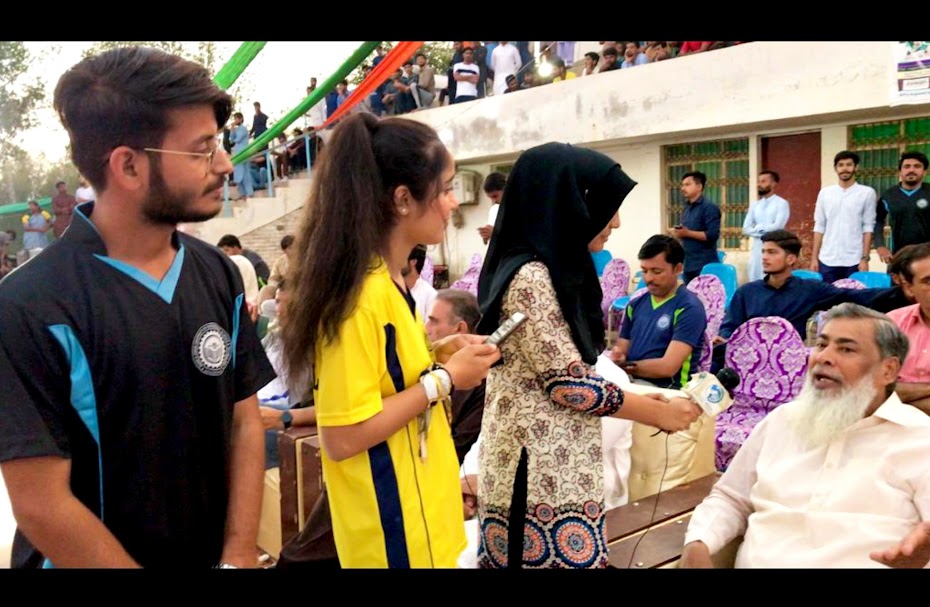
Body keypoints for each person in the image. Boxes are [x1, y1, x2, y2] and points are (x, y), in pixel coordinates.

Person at [0, 46, 275, 568]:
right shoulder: (30, 306)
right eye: (201, 150)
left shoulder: (218, 274)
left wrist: (238, 555)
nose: (224, 164)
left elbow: (244, 422)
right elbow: (40, 503)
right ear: (128, 165)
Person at [281, 113, 500, 568]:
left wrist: (439, 354)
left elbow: (384, 379)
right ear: (403, 199)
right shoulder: (361, 298)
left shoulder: (391, 282)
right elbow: (342, 436)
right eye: (445, 188)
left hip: (420, 517)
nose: (453, 202)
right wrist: (445, 380)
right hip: (391, 534)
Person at [475, 143, 701, 569]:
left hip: (557, 463)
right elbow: (567, 384)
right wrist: (653, 412)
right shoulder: (531, 277)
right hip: (535, 470)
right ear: (568, 203)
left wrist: (640, 398)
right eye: (606, 207)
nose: (615, 222)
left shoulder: (553, 269)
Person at [682, 303, 930, 568]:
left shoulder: (919, 438)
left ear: (888, 370)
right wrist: (698, 541)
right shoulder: (782, 421)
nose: (824, 357)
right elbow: (730, 499)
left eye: (846, 349)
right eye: (822, 345)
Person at [424, 289, 484, 463]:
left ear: (460, 328)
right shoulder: (431, 364)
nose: (426, 329)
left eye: (434, 321)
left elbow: (460, 445)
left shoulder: (480, 380)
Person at [811, 150, 877, 283]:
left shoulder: (866, 193)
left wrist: (864, 258)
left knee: (852, 295)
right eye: (841, 165)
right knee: (828, 295)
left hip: (854, 260)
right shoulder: (825, 193)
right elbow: (819, 226)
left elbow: (868, 227)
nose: (845, 169)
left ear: (856, 167)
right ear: (835, 168)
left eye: (849, 165)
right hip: (827, 259)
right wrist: (814, 258)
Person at [875, 151, 930, 264]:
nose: (911, 170)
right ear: (900, 171)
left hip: (927, 257)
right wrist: (880, 245)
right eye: (907, 166)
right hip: (898, 257)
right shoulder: (889, 195)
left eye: (917, 166)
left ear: (924, 172)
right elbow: (877, 221)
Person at [672, 171, 721, 284]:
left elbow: (712, 235)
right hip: (688, 263)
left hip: (705, 264)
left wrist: (687, 233)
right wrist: (680, 233)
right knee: (689, 294)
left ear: (699, 187)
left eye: (687, 184)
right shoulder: (687, 208)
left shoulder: (709, 208)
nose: (683, 188)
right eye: (682, 185)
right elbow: (687, 231)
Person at [742, 170, 789, 282]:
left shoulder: (781, 203)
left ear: (773, 184)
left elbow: (778, 227)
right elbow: (746, 229)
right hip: (756, 249)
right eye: (759, 181)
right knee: (754, 279)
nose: (759, 184)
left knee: (771, 280)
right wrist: (764, 231)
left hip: (774, 248)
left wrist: (758, 228)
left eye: (763, 181)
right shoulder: (755, 205)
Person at [478, 172, 506, 245]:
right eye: (490, 198)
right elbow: (490, 239)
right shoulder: (494, 210)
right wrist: (486, 235)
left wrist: (496, 233)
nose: (493, 201)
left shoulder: (521, 207)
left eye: (495, 196)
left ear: (506, 190)